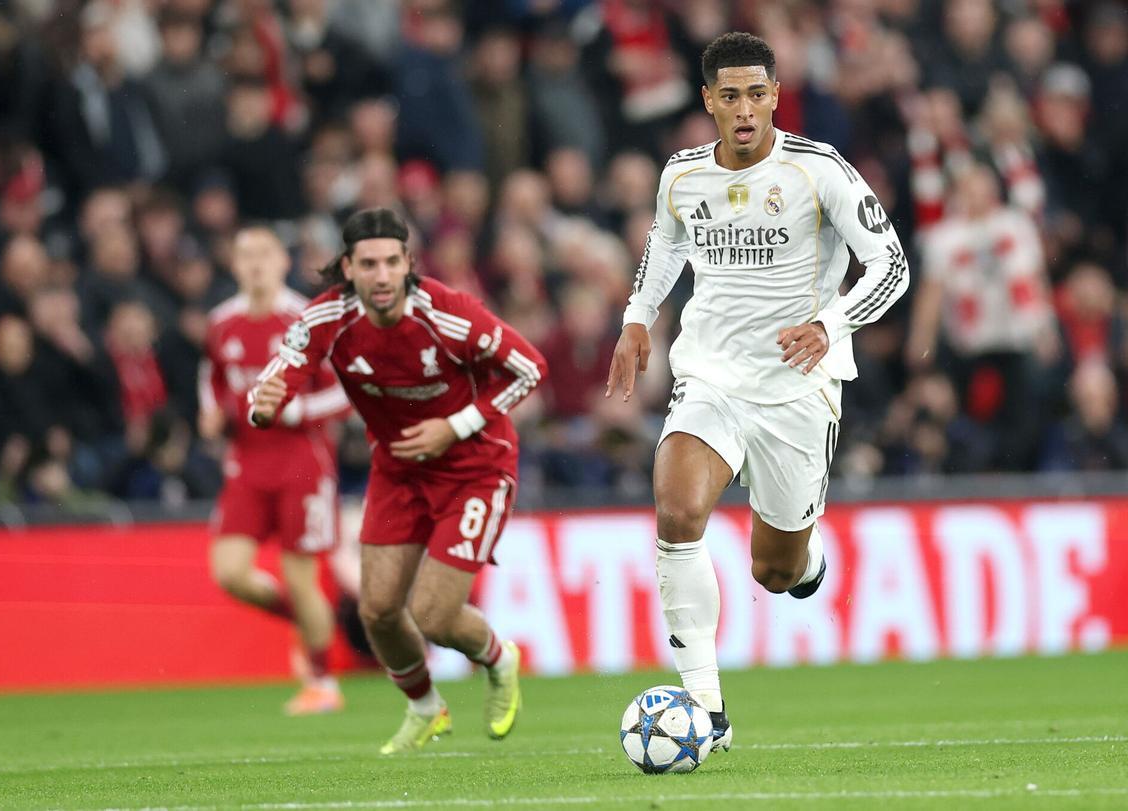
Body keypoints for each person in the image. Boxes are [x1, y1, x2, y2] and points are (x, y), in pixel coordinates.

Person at [605, 33, 909, 750]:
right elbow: (666, 239)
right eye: (730, 96)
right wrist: (636, 317)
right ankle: (707, 712)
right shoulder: (681, 172)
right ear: (708, 100)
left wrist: (829, 325)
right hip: (710, 373)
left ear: (775, 95)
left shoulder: (818, 169)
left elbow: (890, 265)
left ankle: (807, 562)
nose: (745, 110)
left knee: (774, 570)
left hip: (797, 387)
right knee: (676, 510)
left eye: (757, 94)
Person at [249, 208, 547, 754]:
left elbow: (530, 368)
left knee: (433, 615)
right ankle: (425, 707)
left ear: (409, 262)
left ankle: (499, 659)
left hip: (475, 468)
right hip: (399, 471)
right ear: (348, 268)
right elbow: (279, 373)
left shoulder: (449, 314)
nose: (382, 275)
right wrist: (262, 405)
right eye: (369, 264)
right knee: (378, 610)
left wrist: (452, 427)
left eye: (392, 262)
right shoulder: (326, 319)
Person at [199, 226, 352, 715]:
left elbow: (345, 391)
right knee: (229, 574)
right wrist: (210, 413)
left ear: (282, 263)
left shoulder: (305, 319)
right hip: (247, 463)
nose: (255, 264)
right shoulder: (221, 323)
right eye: (245, 256)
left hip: (301, 464)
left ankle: (323, 684)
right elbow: (213, 377)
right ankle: (304, 624)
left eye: (264, 254)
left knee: (299, 574)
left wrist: (294, 412)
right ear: (234, 266)